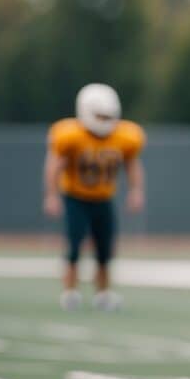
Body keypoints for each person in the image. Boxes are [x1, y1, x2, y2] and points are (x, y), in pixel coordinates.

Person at [43, 83, 145, 311]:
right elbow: (54, 166)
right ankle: (70, 292)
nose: (104, 120)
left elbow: (132, 165)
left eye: (108, 115)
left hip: (103, 197)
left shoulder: (124, 136)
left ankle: (103, 294)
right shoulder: (70, 135)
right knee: (74, 246)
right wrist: (51, 195)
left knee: (105, 249)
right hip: (75, 197)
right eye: (99, 115)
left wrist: (136, 190)